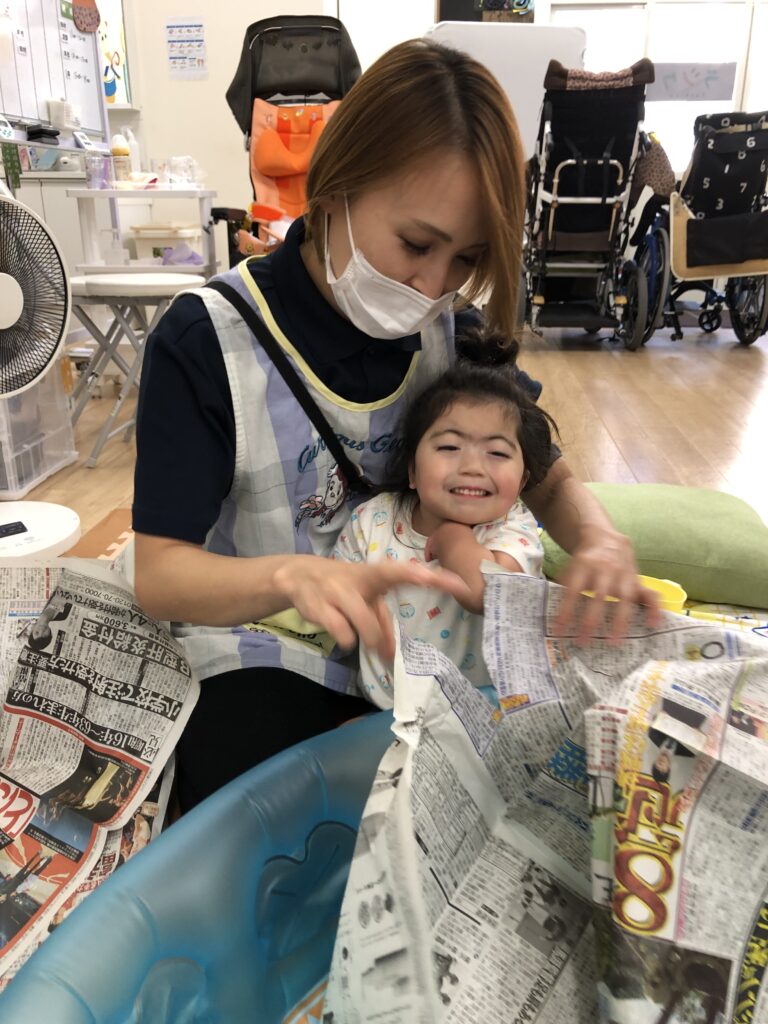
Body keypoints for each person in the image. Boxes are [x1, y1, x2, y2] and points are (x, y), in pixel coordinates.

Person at [133, 39, 657, 811]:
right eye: (415, 244)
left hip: (426, 639)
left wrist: (600, 540)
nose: (432, 285)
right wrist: (289, 576)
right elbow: (159, 575)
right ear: (335, 187)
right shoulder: (206, 341)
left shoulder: (451, 329)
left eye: (467, 258)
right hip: (271, 643)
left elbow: (544, 472)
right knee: (263, 796)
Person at [332, 339, 556, 703]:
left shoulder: (513, 530)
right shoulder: (372, 521)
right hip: (383, 709)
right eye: (450, 447)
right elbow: (337, 600)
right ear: (412, 471)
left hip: (486, 712)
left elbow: (487, 593)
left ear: (521, 483)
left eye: (497, 453)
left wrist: (454, 539)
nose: (472, 467)